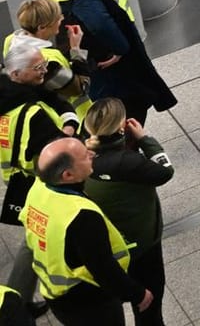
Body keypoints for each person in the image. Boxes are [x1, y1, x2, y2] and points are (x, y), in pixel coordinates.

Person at [43, 0, 174, 124]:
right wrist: (120, 48)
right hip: (113, 67)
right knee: (129, 109)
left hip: (106, 64)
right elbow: (100, 23)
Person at [24, 138, 149, 325]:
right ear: (68, 175)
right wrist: (138, 294)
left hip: (55, 293)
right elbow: (102, 267)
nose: (92, 154)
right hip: (89, 302)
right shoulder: (81, 215)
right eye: (84, 155)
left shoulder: (38, 188)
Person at [80, 99, 171, 326]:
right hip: (142, 245)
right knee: (149, 304)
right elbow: (165, 171)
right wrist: (145, 139)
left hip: (109, 245)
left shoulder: (81, 154)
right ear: (121, 128)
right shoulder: (128, 162)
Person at [0, 39, 75, 299]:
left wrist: (68, 120)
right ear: (16, 73)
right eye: (37, 68)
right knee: (35, 239)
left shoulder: (12, 95)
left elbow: (58, 101)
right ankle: (17, 299)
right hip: (42, 181)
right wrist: (70, 136)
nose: (44, 71)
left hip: (19, 178)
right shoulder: (33, 114)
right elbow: (60, 154)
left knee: (35, 236)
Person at [10, 0, 90, 118]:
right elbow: (80, 87)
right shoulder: (45, 62)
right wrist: (76, 49)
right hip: (70, 120)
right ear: (41, 27)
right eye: (57, 18)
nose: (62, 19)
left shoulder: (11, 41)